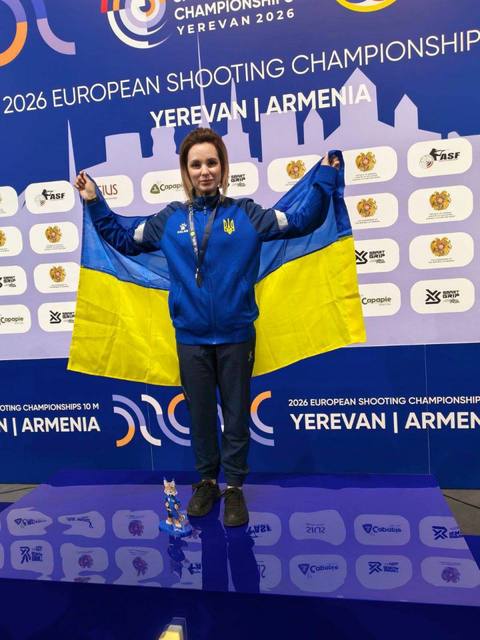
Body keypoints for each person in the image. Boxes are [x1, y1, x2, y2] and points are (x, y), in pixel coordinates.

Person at [74, 127, 340, 527]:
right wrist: (95, 201)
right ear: (186, 171)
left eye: (212, 163)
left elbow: (304, 220)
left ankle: (234, 488)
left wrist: (324, 177)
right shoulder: (169, 220)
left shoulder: (248, 214)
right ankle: (206, 483)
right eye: (196, 164)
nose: (204, 171)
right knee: (200, 417)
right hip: (191, 339)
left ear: (223, 168)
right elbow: (124, 240)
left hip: (237, 337)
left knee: (235, 416)